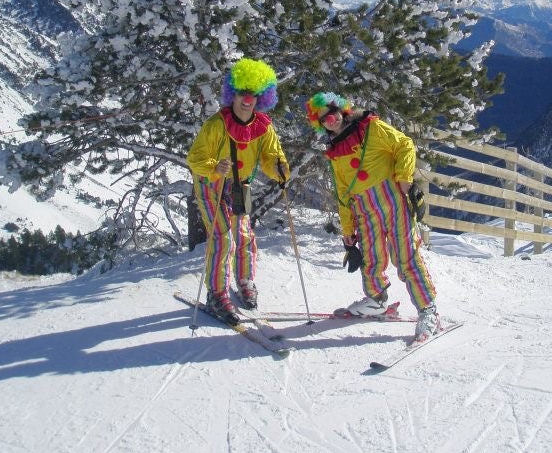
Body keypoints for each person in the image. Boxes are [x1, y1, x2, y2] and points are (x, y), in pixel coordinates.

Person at [305, 91, 442, 343]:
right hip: (364, 210)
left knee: (406, 257)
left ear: (342, 110)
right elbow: (343, 193)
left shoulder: (371, 128)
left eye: (332, 113)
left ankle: (428, 310)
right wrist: (348, 228)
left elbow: (404, 144)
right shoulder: (334, 151)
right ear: (320, 123)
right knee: (371, 258)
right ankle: (376, 300)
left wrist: (403, 177)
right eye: (323, 119)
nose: (330, 120)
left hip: (393, 201)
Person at [187, 58, 289, 323]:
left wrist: (279, 168)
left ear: (261, 97)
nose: (247, 99)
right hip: (212, 185)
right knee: (222, 237)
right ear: (233, 93)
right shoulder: (216, 125)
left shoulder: (263, 126)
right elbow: (195, 158)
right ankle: (217, 293)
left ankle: (245, 280)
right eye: (242, 92)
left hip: (239, 185)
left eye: (253, 94)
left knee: (243, 234)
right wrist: (214, 167)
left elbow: (270, 156)